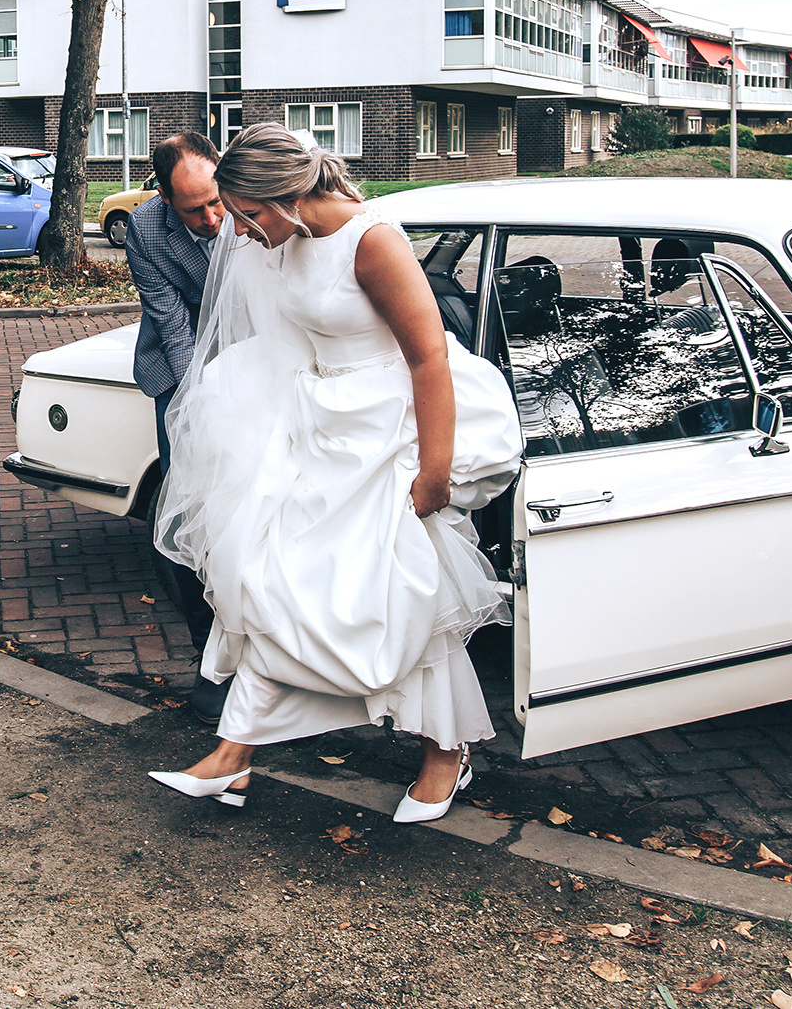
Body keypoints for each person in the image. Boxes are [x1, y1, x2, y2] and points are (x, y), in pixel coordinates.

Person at [146, 124, 522, 822]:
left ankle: (448, 751)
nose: (241, 232)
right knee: (276, 582)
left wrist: (435, 471)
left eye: (248, 215)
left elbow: (428, 357)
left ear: (284, 195)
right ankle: (234, 753)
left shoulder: (372, 240)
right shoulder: (281, 242)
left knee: (403, 592)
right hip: (320, 430)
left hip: (392, 436)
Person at [124, 130, 226, 723]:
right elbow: (171, 322)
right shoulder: (145, 230)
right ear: (163, 196)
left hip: (257, 359)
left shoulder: (245, 207)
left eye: (216, 201)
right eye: (195, 209)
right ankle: (208, 651)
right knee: (183, 512)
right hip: (180, 371)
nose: (213, 219)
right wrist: (197, 404)